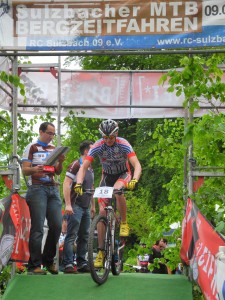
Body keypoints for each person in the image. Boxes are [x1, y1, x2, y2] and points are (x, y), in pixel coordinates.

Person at [74, 119, 142, 268]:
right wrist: (79, 182)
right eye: (105, 137)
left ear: (116, 134)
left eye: (110, 137)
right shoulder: (98, 146)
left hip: (123, 174)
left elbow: (136, 164)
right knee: (102, 212)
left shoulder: (123, 144)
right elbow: (83, 167)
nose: (108, 140)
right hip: (106, 177)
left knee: (118, 191)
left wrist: (135, 180)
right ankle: (100, 252)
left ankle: (124, 222)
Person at [22, 122, 65, 275]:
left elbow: (58, 172)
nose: (51, 136)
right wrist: (36, 168)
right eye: (49, 133)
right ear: (41, 131)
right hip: (37, 189)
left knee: (57, 225)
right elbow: (25, 170)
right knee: (38, 227)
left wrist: (60, 161)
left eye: (53, 134)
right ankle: (34, 265)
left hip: (53, 189)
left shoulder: (54, 149)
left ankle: (48, 260)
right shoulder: (32, 147)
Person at [62, 140, 95, 274]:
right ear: (86, 151)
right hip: (75, 205)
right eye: (93, 149)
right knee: (71, 235)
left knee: (85, 235)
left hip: (86, 206)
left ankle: (82, 263)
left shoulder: (90, 167)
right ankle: (68, 264)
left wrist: (93, 206)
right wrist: (68, 204)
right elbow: (66, 184)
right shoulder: (76, 164)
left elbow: (91, 187)